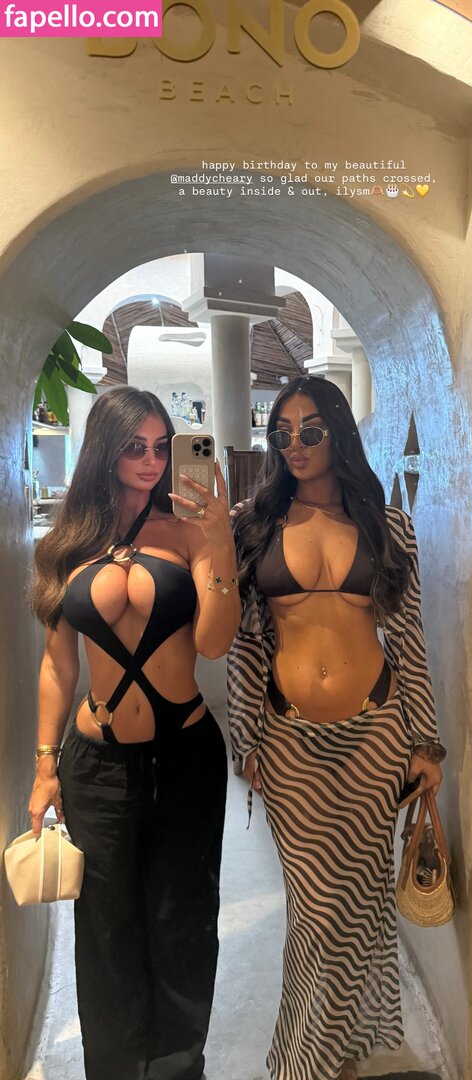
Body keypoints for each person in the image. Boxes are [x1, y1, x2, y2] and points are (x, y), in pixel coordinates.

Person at [227, 375, 446, 1080]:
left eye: (311, 431)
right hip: (290, 744)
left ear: (339, 434)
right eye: (283, 433)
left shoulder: (389, 526)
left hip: (376, 738)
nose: (295, 444)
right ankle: (308, 1060)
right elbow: (246, 644)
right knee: (316, 912)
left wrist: (425, 743)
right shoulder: (254, 525)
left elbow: (408, 639)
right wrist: (246, 738)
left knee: (358, 910)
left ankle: (330, 1058)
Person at [28, 386, 240, 1080]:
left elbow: (214, 642)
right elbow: (58, 665)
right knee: (105, 926)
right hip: (96, 765)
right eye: (134, 447)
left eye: (159, 446)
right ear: (104, 451)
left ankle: (178, 1068)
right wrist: (44, 766)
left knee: (183, 918)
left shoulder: (189, 532)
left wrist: (219, 541)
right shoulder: (67, 544)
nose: (151, 461)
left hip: (184, 757)